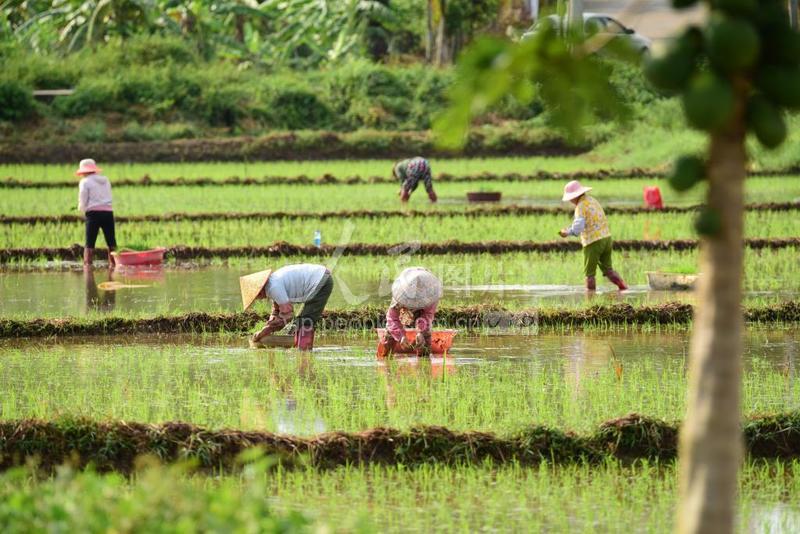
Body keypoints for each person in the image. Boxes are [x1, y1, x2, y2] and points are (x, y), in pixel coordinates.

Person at [241, 263, 334, 351]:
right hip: (320, 276)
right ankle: (301, 347)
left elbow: (288, 313)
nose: (259, 299)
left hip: (321, 280)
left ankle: (304, 353)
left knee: (305, 321)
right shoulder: (272, 284)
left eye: (257, 296)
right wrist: (269, 325)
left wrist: (266, 330)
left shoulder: (273, 287)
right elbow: (276, 310)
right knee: (298, 324)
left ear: (259, 291)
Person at [558, 180, 628, 292]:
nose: (570, 201)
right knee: (608, 270)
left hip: (592, 242)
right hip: (606, 238)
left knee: (589, 274)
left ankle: (591, 299)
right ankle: (624, 288)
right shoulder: (592, 200)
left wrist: (567, 232)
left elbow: (578, 228)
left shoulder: (580, 206)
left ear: (575, 196)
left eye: (570, 198)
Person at [378, 267, 442, 358]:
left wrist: (421, 332)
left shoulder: (431, 295)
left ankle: (423, 364)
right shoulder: (401, 295)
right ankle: (384, 360)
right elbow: (392, 318)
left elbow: (427, 316)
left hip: (422, 309)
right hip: (404, 304)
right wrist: (401, 336)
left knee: (424, 337)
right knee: (390, 334)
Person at [76, 158, 116, 267]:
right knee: (111, 242)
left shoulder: (84, 182)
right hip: (108, 212)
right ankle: (114, 265)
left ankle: (87, 266)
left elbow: (83, 199)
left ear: (84, 171)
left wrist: (82, 208)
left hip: (93, 214)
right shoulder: (106, 180)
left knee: (89, 243)